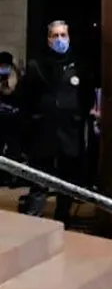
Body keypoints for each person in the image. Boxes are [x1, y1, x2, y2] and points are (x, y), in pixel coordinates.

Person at [20, 20, 96, 220]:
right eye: (55, 36)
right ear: (48, 39)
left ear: (69, 38)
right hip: (43, 132)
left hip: (70, 133)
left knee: (66, 182)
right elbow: (26, 98)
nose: (59, 39)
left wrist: (78, 116)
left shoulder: (79, 66)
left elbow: (87, 97)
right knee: (39, 180)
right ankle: (33, 220)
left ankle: (62, 219)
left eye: (63, 35)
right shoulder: (36, 65)